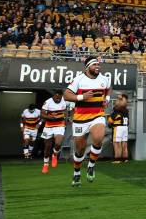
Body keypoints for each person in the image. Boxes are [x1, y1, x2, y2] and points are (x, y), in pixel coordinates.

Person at [64, 56, 111, 187]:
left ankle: (91, 166)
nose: (98, 67)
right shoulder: (79, 79)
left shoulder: (104, 79)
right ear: (87, 67)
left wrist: (106, 98)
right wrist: (81, 97)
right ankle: (77, 173)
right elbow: (66, 95)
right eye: (94, 64)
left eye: (98, 65)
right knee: (80, 149)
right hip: (80, 118)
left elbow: (108, 89)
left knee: (98, 137)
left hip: (97, 114)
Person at [40, 90, 67, 174]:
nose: (58, 99)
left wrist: (68, 116)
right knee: (47, 147)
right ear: (53, 96)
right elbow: (42, 114)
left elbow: (70, 109)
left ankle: (54, 155)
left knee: (58, 143)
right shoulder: (48, 102)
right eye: (56, 97)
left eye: (60, 97)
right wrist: (50, 117)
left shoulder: (65, 101)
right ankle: (46, 164)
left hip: (60, 125)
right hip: (48, 126)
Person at [108, 93, 130, 164]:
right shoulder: (126, 111)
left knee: (117, 144)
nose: (117, 101)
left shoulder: (116, 111)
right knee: (124, 144)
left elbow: (110, 121)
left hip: (118, 128)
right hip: (125, 127)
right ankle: (125, 159)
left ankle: (117, 159)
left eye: (119, 99)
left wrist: (110, 122)